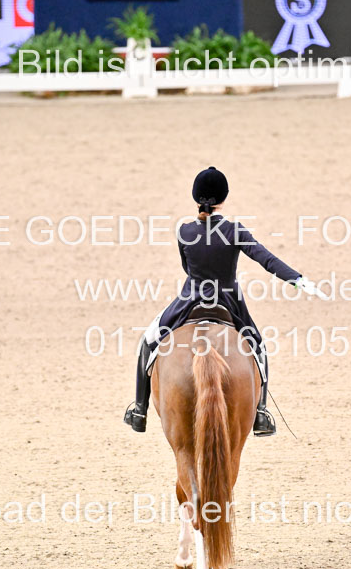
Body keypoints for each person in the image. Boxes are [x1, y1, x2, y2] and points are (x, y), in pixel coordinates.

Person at [123, 166, 325, 436]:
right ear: (224, 198)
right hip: (229, 302)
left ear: (195, 197)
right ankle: (261, 413)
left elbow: (187, 268)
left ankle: (139, 410)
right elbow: (265, 259)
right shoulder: (234, 230)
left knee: (148, 341)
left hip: (189, 300)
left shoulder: (184, 231)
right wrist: (297, 279)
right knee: (258, 346)